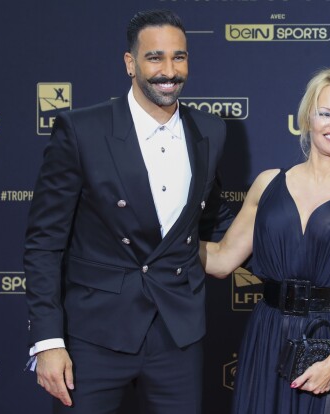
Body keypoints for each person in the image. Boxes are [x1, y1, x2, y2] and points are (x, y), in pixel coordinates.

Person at [24, 9, 232, 414]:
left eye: (179, 57)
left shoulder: (211, 129)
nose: (169, 70)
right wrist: (48, 342)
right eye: (155, 57)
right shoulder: (82, 130)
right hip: (95, 334)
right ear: (130, 63)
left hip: (178, 333)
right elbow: (44, 243)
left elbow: (210, 218)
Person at [200, 67, 330, 413]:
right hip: (268, 335)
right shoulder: (268, 184)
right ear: (307, 118)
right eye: (326, 113)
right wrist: (165, 241)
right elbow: (221, 260)